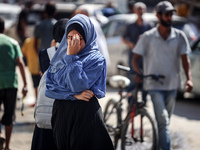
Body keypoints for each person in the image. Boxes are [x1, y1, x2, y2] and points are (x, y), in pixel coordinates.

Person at [45, 14, 114, 150]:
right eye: (70, 38)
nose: (74, 44)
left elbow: (77, 85)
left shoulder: (95, 59)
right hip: (61, 113)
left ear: (87, 37)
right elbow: (50, 88)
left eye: (78, 39)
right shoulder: (60, 57)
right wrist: (73, 95)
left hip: (84, 114)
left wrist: (71, 57)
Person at [132, 1, 193, 150]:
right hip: (153, 85)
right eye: (167, 14)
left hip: (172, 84)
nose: (170, 17)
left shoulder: (179, 36)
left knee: (164, 122)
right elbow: (135, 58)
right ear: (158, 16)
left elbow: (186, 60)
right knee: (163, 120)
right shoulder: (147, 37)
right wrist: (138, 73)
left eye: (171, 14)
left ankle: (159, 147)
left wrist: (189, 79)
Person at [31, 18, 69, 150]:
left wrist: (53, 46)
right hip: (67, 111)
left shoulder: (45, 54)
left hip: (47, 112)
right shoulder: (76, 54)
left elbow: (45, 69)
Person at [0, 17, 28, 150]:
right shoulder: (12, 42)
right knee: (9, 115)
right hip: (11, 83)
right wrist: (25, 85)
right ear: (4, 29)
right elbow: (21, 63)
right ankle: (7, 146)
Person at [122, 2, 153, 103]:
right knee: (132, 79)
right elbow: (123, 38)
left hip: (145, 57)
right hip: (133, 56)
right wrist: (130, 44)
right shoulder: (130, 24)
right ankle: (130, 103)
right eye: (139, 9)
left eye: (142, 9)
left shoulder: (149, 25)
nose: (141, 11)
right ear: (135, 11)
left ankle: (143, 103)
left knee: (145, 80)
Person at [21, 37, 40, 107]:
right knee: (42, 85)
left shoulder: (28, 41)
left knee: (35, 86)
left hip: (33, 67)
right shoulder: (40, 40)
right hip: (41, 67)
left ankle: (37, 101)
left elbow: (22, 52)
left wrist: (29, 55)